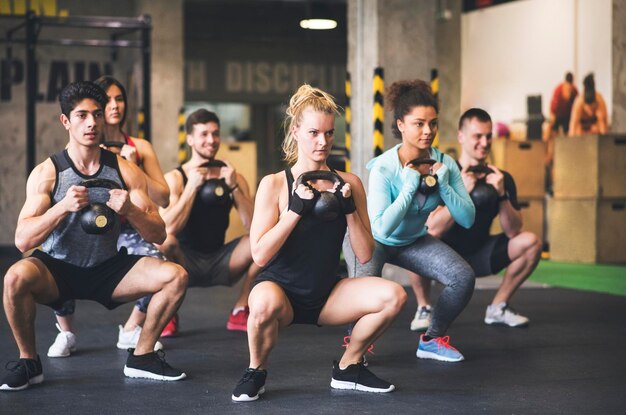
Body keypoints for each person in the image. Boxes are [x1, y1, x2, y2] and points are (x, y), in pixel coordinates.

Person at [0, 81, 188, 391]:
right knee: (14, 278)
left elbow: (159, 232)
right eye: (82, 115)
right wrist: (61, 208)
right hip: (58, 269)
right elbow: (23, 240)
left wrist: (131, 210)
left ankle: (142, 356)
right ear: (66, 121)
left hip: (106, 268)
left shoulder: (124, 170)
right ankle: (28, 362)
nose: (91, 123)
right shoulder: (48, 173)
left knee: (176, 276)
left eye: (97, 115)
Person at [231, 84, 406, 402]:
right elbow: (259, 255)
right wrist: (294, 212)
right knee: (261, 303)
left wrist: (350, 209)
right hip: (281, 293)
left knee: (393, 296)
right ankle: (256, 370)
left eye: (329, 133)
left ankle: (348, 366)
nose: (322, 142)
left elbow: (365, 255)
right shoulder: (274, 185)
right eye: (313, 132)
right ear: (296, 131)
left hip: (328, 295)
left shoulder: (349, 183)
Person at [343, 79, 475, 363]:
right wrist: (408, 187)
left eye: (433, 123)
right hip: (371, 240)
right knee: (362, 296)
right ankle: (355, 350)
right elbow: (381, 228)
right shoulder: (384, 168)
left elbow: (467, 218)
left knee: (462, 277)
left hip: (412, 240)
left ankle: (432, 339)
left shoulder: (445, 164)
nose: (428, 131)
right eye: (419, 123)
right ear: (401, 125)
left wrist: (445, 187)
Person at [48, 76, 171, 357]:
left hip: (125, 229)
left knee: (162, 260)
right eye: (107, 100)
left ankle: (131, 330)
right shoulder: (83, 140)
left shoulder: (139, 146)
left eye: (120, 98)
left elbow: (163, 197)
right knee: (57, 253)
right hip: (81, 229)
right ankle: (66, 332)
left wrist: (132, 165)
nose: (114, 105)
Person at [119, 108, 259, 338]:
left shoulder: (232, 176)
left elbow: (254, 227)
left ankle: (240, 309)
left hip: (220, 261)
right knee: (166, 244)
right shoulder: (175, 179)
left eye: (215, 134)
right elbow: (165, 232)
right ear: (190, 139)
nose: (211, 140)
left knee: (262, 243)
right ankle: (168, 309)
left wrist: (233, 187)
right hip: (184, 262)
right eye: (204, 134)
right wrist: (192, 187)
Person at [410, 108, 542, 331]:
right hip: (444, 259)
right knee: (413, 236)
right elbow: (432, 228)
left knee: (531, 242)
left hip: (481, 255)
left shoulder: (501, 178)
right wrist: (461, 192)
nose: (484, 142)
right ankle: (425, 307)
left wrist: (501, 194)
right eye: (477, 136)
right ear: (461, 137)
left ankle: (498, 308)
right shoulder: (443, 174)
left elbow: (514, 231)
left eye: (488, 136)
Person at [549, 72, 578, 137]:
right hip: (558, 115)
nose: (569, 90)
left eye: (570, 88)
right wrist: (552, 116)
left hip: (568, 117)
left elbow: (577, 106)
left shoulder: (575, 91)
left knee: (570, 130)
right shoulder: (558, 90)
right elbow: (552, 106)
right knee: (553, 129)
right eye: (567, 88)